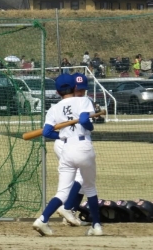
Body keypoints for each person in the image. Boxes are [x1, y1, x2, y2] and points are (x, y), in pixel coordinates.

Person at [32, 73, 103, 236]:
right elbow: (84, 121)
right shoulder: (84, 100)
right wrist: (90, 128)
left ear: (58, 92)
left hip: (67, 148)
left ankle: (42, 219)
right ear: (75, 87)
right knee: (90, 187)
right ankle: (96, 226)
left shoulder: (54, 108)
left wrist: (63, 135)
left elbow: (47, 132)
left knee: (62, 191)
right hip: (83, 146)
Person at [56, 72, 92, 227]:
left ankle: (70, 213)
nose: (81, 93)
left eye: (83, 90)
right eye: (78, 90)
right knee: (81, 178)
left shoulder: (83, 102)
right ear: (72, 88)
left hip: (75, 143)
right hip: (65, 143)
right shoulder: (67, 103)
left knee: (82, 183)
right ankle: (67, 209)